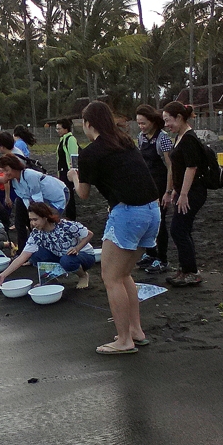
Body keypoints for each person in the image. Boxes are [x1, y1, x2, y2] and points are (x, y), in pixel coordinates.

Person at [67, 101, 160, 355]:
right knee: (124, 274)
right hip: (152, 211)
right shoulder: (124, 141)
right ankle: (135, 331)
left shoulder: (91, 152)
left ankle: (124, 340)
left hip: (128, 213)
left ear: (88, 124)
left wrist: (74, 177)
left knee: (111, 278)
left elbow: (83, 194)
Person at [0, 202, 95, 289]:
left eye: (35, 219)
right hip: (61, 256)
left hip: (84, 255)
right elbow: (23, 256)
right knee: (35, 255)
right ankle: (51, 278)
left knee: (67, 260)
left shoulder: (65, 225)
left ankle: (83, 276)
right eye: (31, 220)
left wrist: (77, 248)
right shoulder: (36, 233)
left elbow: (89, 234)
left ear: (45, 217)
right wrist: (3, 275)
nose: (32, 223)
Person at [162, 101, 207, 287]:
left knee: (178, 230)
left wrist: (184, 194)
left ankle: (191, 271)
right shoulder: (180, 137)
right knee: (182, 229)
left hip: (193, 192)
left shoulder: (189, 139)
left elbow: (191, 167)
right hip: (185, 191)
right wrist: (174, 189)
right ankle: (185, 269)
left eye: (168, 120)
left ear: (179, 118)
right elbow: (178, 167)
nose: (166, 125)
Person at [0, 154, 69, 256]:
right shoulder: (14, 181)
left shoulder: (29, 175)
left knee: (50, 223)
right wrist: (31, 216)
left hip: (57, 196)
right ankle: (39, 252)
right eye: (3, 170)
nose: (5, 173)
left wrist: (36, 217)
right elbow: (25, 198)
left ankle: (63, 250)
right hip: (43, 199)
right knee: (37, 224)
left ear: (14, 167)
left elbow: (38, 201)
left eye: (7, 170)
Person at [135, 104, 174, 273]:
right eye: (139, 123)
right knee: (147, 220)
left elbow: (171, 167)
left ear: (152, 121)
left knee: (160, 222)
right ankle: (151, 254)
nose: (141, 126)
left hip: (161, 184)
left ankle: (162, 259)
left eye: (143, 123)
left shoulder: (162, 139)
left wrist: (168, 191)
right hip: (147, 185)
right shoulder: (141, 137)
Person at [55, 118, 79, 220]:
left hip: (68, 172)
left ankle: (71, 217)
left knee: (70, 195)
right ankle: (68, 215)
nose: (57, 131)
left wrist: (74, 172)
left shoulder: (70, 139)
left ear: (66, 129)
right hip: (63, 172)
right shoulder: (63, 140)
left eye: (59, 128)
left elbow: (74, 157)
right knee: (65, 194)